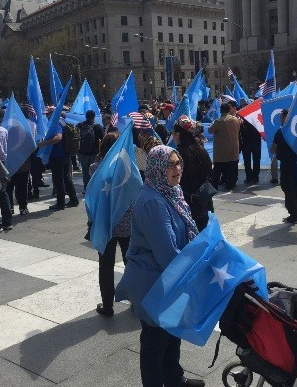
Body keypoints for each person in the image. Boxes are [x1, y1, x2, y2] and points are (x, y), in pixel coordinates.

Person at [115, 145, 205, 387]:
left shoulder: (170, 192)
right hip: (153, 282)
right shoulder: (153, 201)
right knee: (155, 341)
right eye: (170, 164)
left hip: (168, 279)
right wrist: (199, 264)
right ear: (156, 168)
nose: (177, 169)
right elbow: (167, 254)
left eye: (178, 163)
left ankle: (175, 379)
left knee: (170, 334)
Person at [88, 132, 132, 317]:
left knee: (105, 266)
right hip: (127, 223)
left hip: (105, 224)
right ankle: (135, 301)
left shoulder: (95, 168)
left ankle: (108, 305)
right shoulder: (130, 169)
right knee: (131, 263)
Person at [174, 115, 213, 231]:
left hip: (186, 205)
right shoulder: (202, 150)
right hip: (204, 201)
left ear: (178, 135)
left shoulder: (177, 155)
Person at [37, 116, 79, 211]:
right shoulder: (63, 122)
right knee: (66, 178)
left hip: (57, 156)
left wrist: (44, 143)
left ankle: (60, 203)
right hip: (65, 154)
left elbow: (58, 138)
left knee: (58, 180)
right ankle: (73, 200)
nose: (47, 116)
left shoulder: (56, 123)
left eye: (49, 113)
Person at [273, 109, 297, 224]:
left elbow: (273, 148)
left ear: (286, 117)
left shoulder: (280, 132)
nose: (280, 119)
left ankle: (293, 214)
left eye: (281, 117)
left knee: (288, 188)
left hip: (287, 165)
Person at [208, 96, 241, 191]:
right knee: (231, 170)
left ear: (221, 111)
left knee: (217, 170)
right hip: (233, 149)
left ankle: (214, 187)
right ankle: (230, 185)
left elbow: (210, 130)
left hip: (221, 150)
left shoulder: (218, 121)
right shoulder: (236, 120)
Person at [77, 110, 105, 193]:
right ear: (94, 117)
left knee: (85, 172)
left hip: (82, 153)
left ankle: (86, 189)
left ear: (86, 116)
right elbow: (103, 140)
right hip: (94, 153)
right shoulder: (97, 127)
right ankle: (94, 190)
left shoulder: (80, 125)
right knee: (94, 172)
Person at [239, 109, 262, 185]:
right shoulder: (257, 124)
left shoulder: (243, 124)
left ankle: (249, 177)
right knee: (256, 160)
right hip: (256, 143)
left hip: (246, 144)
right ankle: (255, 177)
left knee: (247, 161)